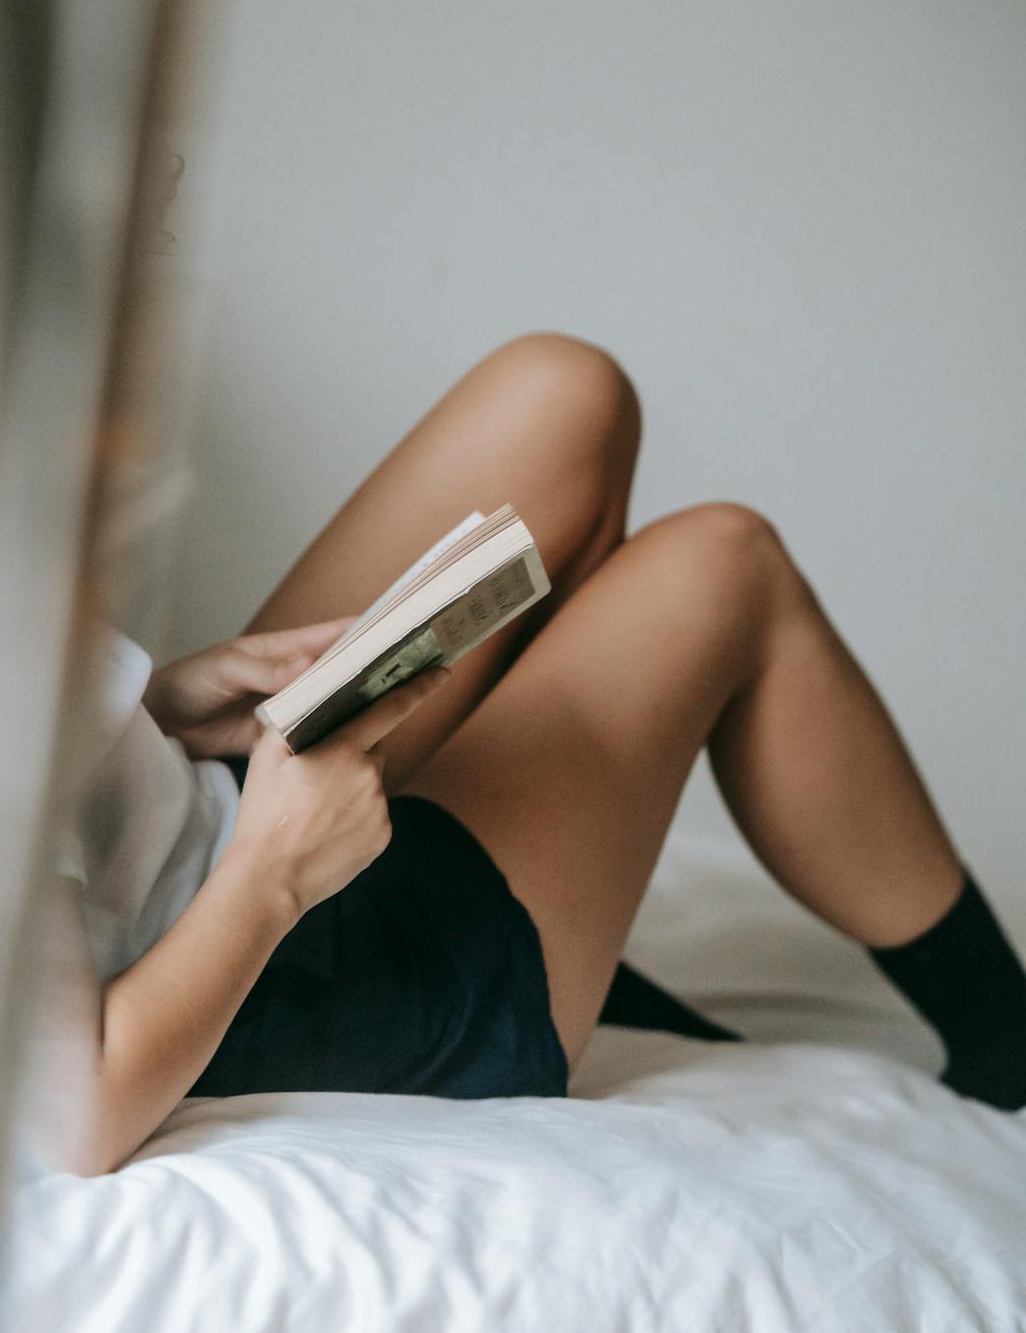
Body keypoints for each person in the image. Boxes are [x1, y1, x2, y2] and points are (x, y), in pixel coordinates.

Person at [70, 333, 1026, 1176]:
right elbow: (81, 1113)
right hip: (245, 985)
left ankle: (546, 896)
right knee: (727, 565)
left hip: (201, 819)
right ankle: (1009, 1043)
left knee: (566, 393)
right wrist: (275, 873)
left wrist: (151, 706)